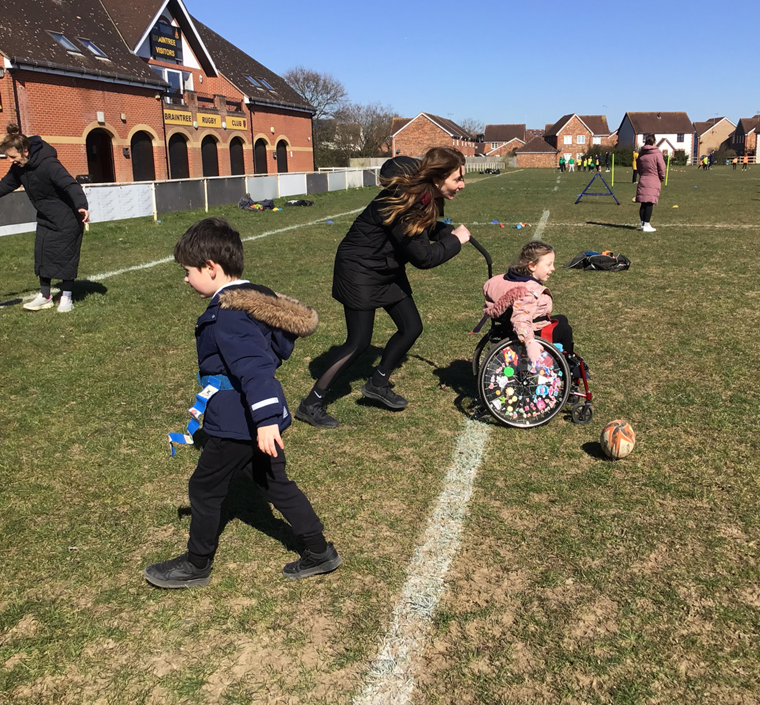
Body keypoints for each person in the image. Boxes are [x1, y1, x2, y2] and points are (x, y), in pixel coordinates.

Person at [144, 218, 340, 589]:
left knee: (204, 488)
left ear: (210, 267)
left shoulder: (229, 316)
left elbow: (254, 366)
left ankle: (196, 564)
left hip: (238, 421)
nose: (185, 279)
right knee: (274, 483)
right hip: (255, 414)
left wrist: (264, 420)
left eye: (187, 271)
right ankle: (320, 550)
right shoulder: (254, 302)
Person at [295, 148, 471, 428]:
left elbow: (418, 231)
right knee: (358, 342)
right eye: (457, 179)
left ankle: (377, 383)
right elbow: (424, 258)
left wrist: (442, 231)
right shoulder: (410, 201)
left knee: (411, 327)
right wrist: (455, 241)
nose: (462, 185)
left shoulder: (425, 197)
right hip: (359, 270)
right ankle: (311, 403)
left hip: (386, 268)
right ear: (438, 179)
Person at [0, 124, 89, 312]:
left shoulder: (49, 164)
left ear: (25, 151)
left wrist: (82, 205)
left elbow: (70, 184)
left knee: (65, 256)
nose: (11, 161)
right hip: (46, 217)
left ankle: (66, 297)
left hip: (67, 217)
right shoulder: (19, 168)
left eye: (13, 157)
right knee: (43, 255)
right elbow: (5, 185)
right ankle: (45, 296)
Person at [481, 241, 575, 367]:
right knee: (564, 330)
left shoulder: (509, 280)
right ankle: (566, 365)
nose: (553, 268)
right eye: (549, 264)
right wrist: (530, 342)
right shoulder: (527, 292)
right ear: (532, 266)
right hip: (529, 332)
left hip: (507, 326)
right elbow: (521, 318)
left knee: (561, 319)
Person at [635, 134, 666, 232]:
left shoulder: (641, 154)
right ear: (654, 142)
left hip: (643, 179)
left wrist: (642, 175)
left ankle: (643, 222)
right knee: (649, 203)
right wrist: (662, 177)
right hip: (653, 179)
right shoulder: (657, 153)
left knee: (643, 203)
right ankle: (646, 224)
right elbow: (662, 168)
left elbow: (638, 167)